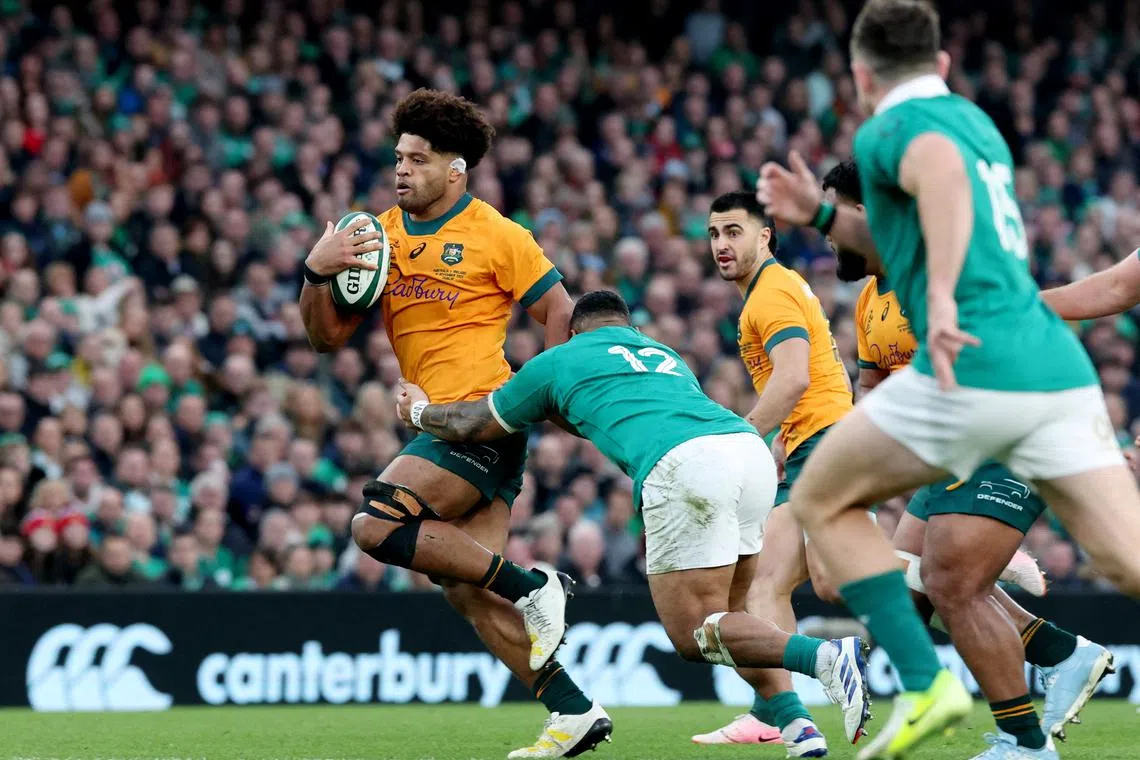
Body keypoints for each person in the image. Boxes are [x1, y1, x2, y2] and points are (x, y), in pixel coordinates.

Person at [757, 1, 1140, 758]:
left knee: (821, 496)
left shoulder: (893, 129)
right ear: (943, 64)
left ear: (861, 74)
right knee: (1126, 562)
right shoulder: (979, 124)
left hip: (977, 369)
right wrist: (820, 218)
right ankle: (1037, 700)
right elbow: (915, 225)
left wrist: (936, 299)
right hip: (1052, 368)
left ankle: (926, 683)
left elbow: (942, 189)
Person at [395, 290, 871, 752]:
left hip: (687, 465)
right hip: (747, 450)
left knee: (696, 633)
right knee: (734, 617)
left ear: (574, 331)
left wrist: (417, 411)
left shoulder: (561, 358)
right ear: (628, 326)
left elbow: (474, 423)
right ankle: (798, 727)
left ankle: (825, 656)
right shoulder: (663, 354)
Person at [298, 88, 609, 760]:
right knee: (468, 591)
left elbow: (560, 309)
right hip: (436, 425)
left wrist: (540, 393)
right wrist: (316, 274)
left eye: (418, 159)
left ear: (456, 168)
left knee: (376, 524)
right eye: (398, 158)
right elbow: (326, 338)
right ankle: (573, 710)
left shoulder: (498, 234)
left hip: (479, 418)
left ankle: (537, 586)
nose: (401, 170)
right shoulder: (377, 237)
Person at [825, 158, 1116, 749]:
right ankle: (1059, 652)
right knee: (912, 589)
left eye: (830, 218)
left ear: (864, 214)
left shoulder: (937, 266)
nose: (826, 235)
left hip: (1004, 429)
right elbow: (873, 385)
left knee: (952, 583)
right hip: (949, 447)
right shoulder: (871, 299)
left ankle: (1024, 742)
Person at [696, 190, 861, 757]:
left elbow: (792, 378)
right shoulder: (768, 292)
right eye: (714, 233)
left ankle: (947, 567)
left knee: (835, 582)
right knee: (763, 584)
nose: (721, 244)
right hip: (812, 440)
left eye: (733, 231)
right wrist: (782, 437)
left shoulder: (771, 293)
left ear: (764, 235)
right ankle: (781, 715)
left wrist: (747, 438)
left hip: (827, 441)